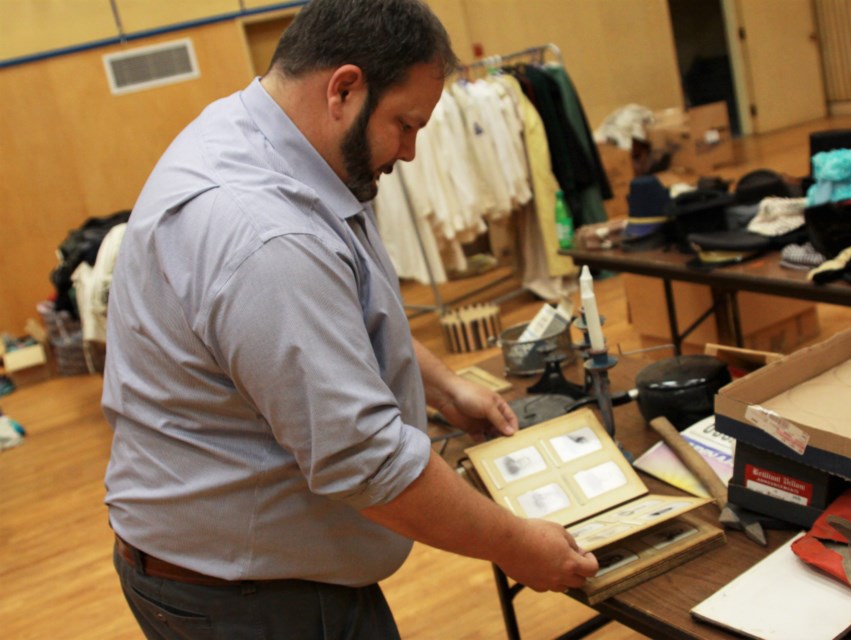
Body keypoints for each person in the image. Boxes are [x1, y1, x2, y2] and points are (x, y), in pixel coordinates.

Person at [102, 0, 598, 637]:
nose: (412, 152)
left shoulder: (266, 135)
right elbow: (367, 461)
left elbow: (336, 315)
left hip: (252, 568)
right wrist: (519, 545)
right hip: (246, 597)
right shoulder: (264, 235)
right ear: (343, 89)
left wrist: (443, 389)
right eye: (404, 125)